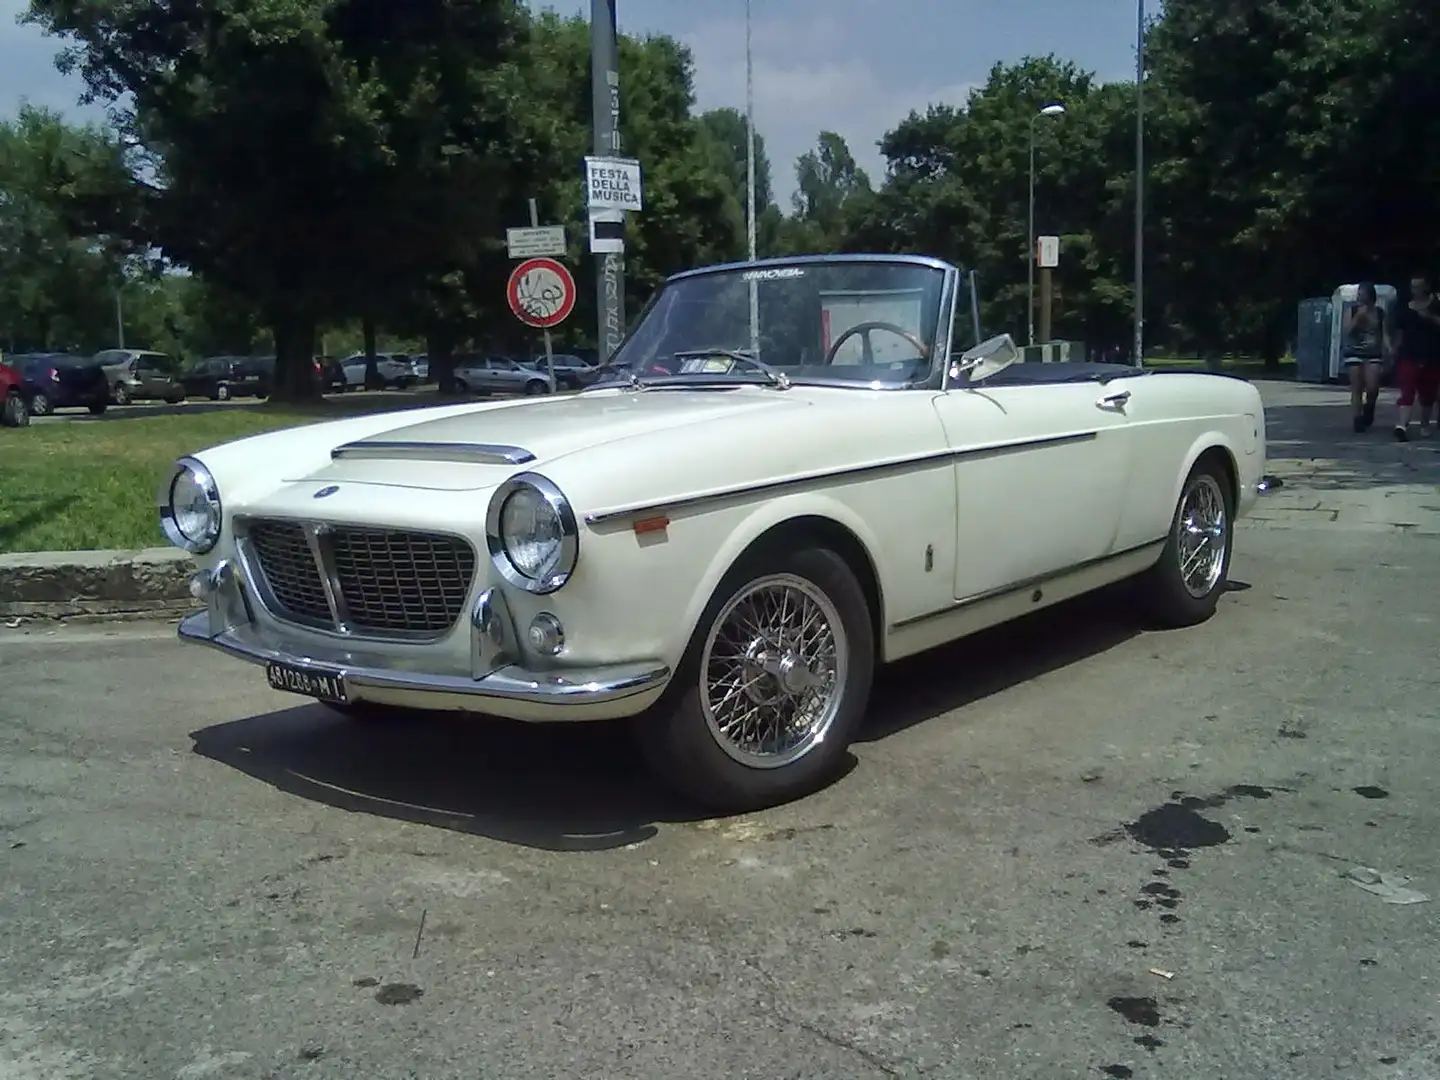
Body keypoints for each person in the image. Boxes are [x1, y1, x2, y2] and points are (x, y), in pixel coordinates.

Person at [1391, 273, 1440, 441]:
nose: (1415, 290)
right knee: (1407, 391)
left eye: (1419, 286)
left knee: (1428, 395)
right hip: (1408, 354)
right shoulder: (1404, 307)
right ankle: (1401, 426)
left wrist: (1431, 318)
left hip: (1432, 356)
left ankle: (1425, 424)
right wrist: (1393, 349)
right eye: (1413, 286)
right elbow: (1397, 330)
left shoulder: (1436, 304)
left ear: (1427, 286)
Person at [1341, 282, 1387, 433]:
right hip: (1354, 352)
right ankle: (1357, 419)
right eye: (1359, 294)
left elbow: (1384, 333)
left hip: (1373, 353)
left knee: (1373, 387)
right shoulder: (1353, 310)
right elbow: (1347, 331)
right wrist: (1359, 317)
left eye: (1363, 294)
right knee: (1357, 387)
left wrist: (1389, 348)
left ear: (1370, 295)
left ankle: (1370, 406)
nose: (1360, 297)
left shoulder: (1379, 312)